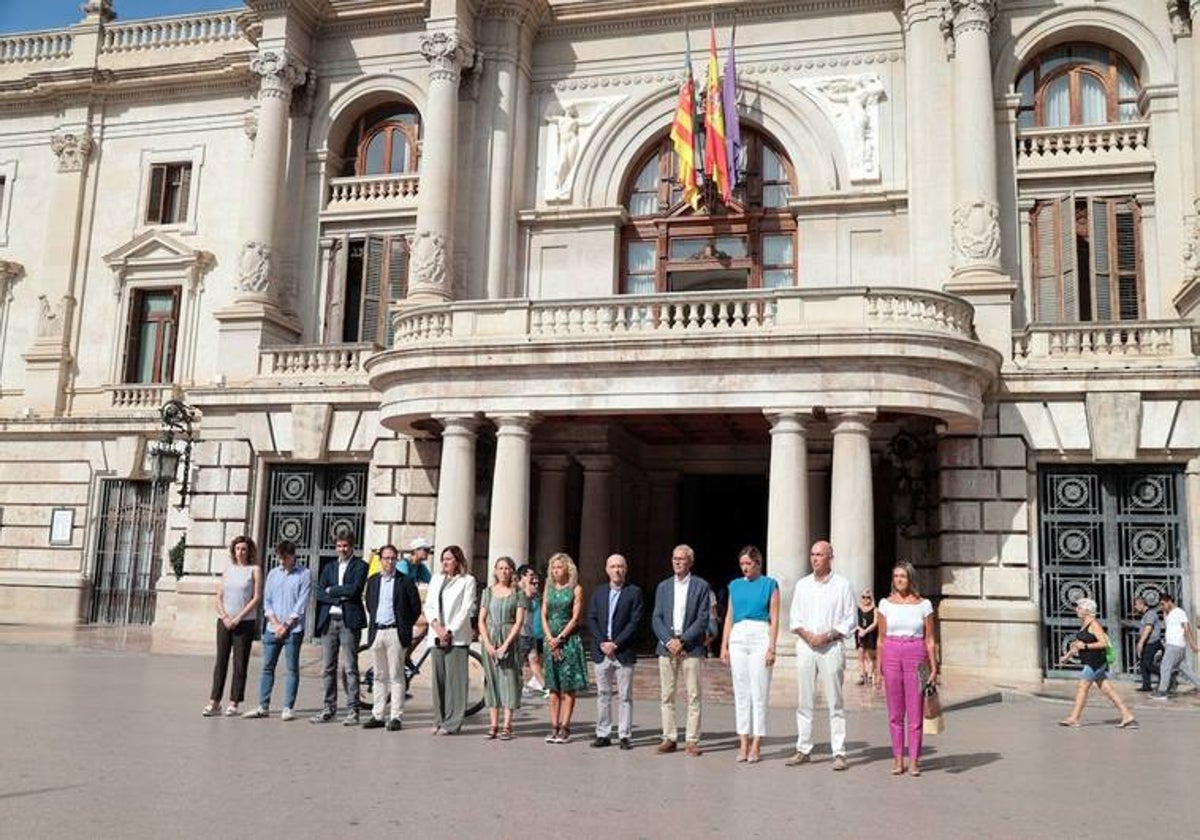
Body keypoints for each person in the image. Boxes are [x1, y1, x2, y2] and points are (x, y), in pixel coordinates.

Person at [786, 540, 856, 771]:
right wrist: (809, 637)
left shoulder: (842, 585)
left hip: (831, 646)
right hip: (806, 646)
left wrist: (826, 636)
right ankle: (803, 748)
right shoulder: (803, 585)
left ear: (830, 558)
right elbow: (795, 618)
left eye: (820, 555)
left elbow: (850, 619)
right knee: (804, 700)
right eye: (813, 554)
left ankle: (839, 752)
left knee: (835, 701)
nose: (815, 558)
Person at [719, 545, 779, 764]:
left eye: (748, 563)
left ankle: (757, 742)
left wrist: (772, 647)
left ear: (758, 563)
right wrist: (724, 645)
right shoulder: (734, 585)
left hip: (760, 633)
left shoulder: (770, 585)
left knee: (759, 691)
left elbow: (774, 618)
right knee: (741, 691)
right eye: (742, 564)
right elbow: (729, 616)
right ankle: (743, 740)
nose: (744, 568)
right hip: (738, 635)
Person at [650, 544, 712, 757]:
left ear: (690, 562)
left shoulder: (701, 586)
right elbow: (656, 617)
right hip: (666, 648)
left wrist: (683, 640)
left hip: (691, 648)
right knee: (667, 695)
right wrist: (669, 641)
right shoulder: (663, 587)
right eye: (675, 558)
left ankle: (692, 740)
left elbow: (703, 618)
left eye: (682, 559)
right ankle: (669, 737)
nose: (677, 562)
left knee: (693, 695)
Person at [877, 562, 938, 777]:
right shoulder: (885, 604)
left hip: (917, 653)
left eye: (903, 576)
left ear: (910, 578)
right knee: (895, 712)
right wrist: (878, 667)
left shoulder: (924, 605)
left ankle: (914, 760)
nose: (899, 580)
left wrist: (934, 667)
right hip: (892, 652)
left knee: (915, 710)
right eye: (896, 576)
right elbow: (881, 639)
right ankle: (897, 759)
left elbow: (930, 639)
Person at [243, 541, 311, 721]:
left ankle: (288, 707)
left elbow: (301, 604)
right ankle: (263, 705)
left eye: (284, 557)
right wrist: (274, 622)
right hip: (272, 628)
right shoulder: (273, 574)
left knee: (291, 668)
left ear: (292, 556)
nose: (281, 561)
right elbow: (267, 601)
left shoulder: (304, 574)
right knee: (267, 667)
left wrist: (286, 625)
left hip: (293, 630)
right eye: (279, 557)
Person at [586, 553, 645, 750]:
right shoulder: (598, 592)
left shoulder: (634, 592)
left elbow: (635, 622)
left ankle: (624, 735)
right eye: (613, 566)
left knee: (625, 695)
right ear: (606, 569)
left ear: (625, 569)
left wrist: (616, 643)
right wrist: (603, 642)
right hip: (601, 651)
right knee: (603, 693)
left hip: (623, 651)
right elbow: (592, 618)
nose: (616, 570)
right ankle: (603, 733)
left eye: (620, 566)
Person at [362, 544, 421, 731]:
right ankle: (377, 714)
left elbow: (415, 607)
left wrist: (403, 625)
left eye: (392, 558)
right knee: (379, 676)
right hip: (377, 631)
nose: (389, 562)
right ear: (380, 560)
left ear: (396, 560)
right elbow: (370, 604)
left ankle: (396, 716)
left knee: (396, 675)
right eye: (386, 558)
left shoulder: (405, 581)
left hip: (396, 632)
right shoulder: (373, 581)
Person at [311, 531, 368, 725]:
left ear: (352, 546)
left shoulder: (361, 566)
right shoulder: (329, 567)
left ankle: (353, 710)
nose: (342, 549)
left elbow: (354, 590)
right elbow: (319, 592)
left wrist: (331, 590)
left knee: (350, 667)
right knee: (328, 667)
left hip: (349, 621)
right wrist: (337, 596)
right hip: (329, 621)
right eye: (339, 546)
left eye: (345, 546)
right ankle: (329, 708)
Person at [203, 535, 262, 717]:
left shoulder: (254, 570)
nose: (240, 552)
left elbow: (256, 597)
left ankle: (234, 702)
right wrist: (224, 616)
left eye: (244, 549)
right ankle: (214, 701)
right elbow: (218, 596)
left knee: (240, 663)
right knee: (220, 661)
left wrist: (238, 618)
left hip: (244, 622)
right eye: (237, 549)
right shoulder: (228, 570)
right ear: (233, 551)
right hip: (224, 621)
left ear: (249, 551)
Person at [1056, 597, 1136, 727]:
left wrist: (1086, 647)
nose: (1077, 610)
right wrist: (1067, 655)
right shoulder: (1084, 624)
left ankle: (1074, 718)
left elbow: (1103, 643)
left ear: (1087, 611)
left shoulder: (1094, 625)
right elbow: (1079, 643)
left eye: (1079, 608)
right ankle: (1127, 715)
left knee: (1082, 688)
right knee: (1108, 690)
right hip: (1091, 661)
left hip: (1095, 662)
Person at [424, 545, 477, 734]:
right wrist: (437, 627)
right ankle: (438, 719)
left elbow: (465, 608)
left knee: (455, 681)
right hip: (436, 634)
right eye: (443, 559)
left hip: (457, 637)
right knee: (438, 680)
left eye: (449, 559)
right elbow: (428, 605)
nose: (445, 562)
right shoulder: (436, 579)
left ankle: (453, 723)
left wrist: (450, 630)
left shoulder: (467, 580)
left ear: (458, 561)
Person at [479, 556, 529, 740]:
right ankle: (493, 724)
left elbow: (519, 621)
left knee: (509, 679)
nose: (503, 572)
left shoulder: (518, 593)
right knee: (491, 680)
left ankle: (507, 725)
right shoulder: (488, 592)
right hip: (490, 637)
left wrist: (506, 643)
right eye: (500, 568)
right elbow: (481, 619)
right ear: (495, 571)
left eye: (507, 568)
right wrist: (487, 643)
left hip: (509, 638)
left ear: (512, 571)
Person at [542, 552, 588, 744]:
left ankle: (565, 726)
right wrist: (549, 638)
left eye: (559, 567)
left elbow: (575, 617)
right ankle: (553, 725)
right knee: (553, 686)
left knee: (567, 686)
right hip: (550, 640)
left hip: (568, 641)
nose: (555, 570)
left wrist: (560, 638)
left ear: (568, 569)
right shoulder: (548, 588)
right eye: (553, 567)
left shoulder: (576, 589)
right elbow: (544, 614)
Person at [1152, 591, 1200, 700]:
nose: (1162, 607)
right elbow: (1168, 625)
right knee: (1184, 668)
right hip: (1172, 645)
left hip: (1175, 645)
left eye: (1163, 604)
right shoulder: (1169, 613)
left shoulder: (1179, 612)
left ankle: (1162, 691)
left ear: (1169, 602)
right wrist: (1165, 612)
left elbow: (1187, 628)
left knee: (1165, 667)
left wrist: (1192, 644)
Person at [516, 564, 546, 696]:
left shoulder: (533, 593)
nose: (533, 578)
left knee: (534, 660)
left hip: (530, 633)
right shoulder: (518, 592)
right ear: (522, 577)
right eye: (530, 575)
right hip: (521, 633)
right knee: (520, 663)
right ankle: (519, 686)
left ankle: (543, 686)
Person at [1134, 595, 1162, 692]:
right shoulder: (1145, 615)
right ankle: (1146, 685)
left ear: (1141, 604)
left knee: (1148, 663)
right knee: (1143, 664)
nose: (1135, 607)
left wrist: (1140, 643)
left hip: (1152, 642)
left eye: (1136, 605)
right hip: (1147, 642)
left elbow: (1148, 629)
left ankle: (1165, 675)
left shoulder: (1150, 614)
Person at [855, 589, 879, 686]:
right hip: (860, 633)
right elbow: (854, 621)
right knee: (860, 655)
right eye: (863, 597)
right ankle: (862, 675)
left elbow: (875, 622)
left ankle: (870, 675)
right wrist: (860, 629)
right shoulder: (858, 609)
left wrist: (866, 631)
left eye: (868, 597)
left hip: (870, 633)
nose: (866, 599)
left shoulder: (875, 609)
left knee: (870, 656)